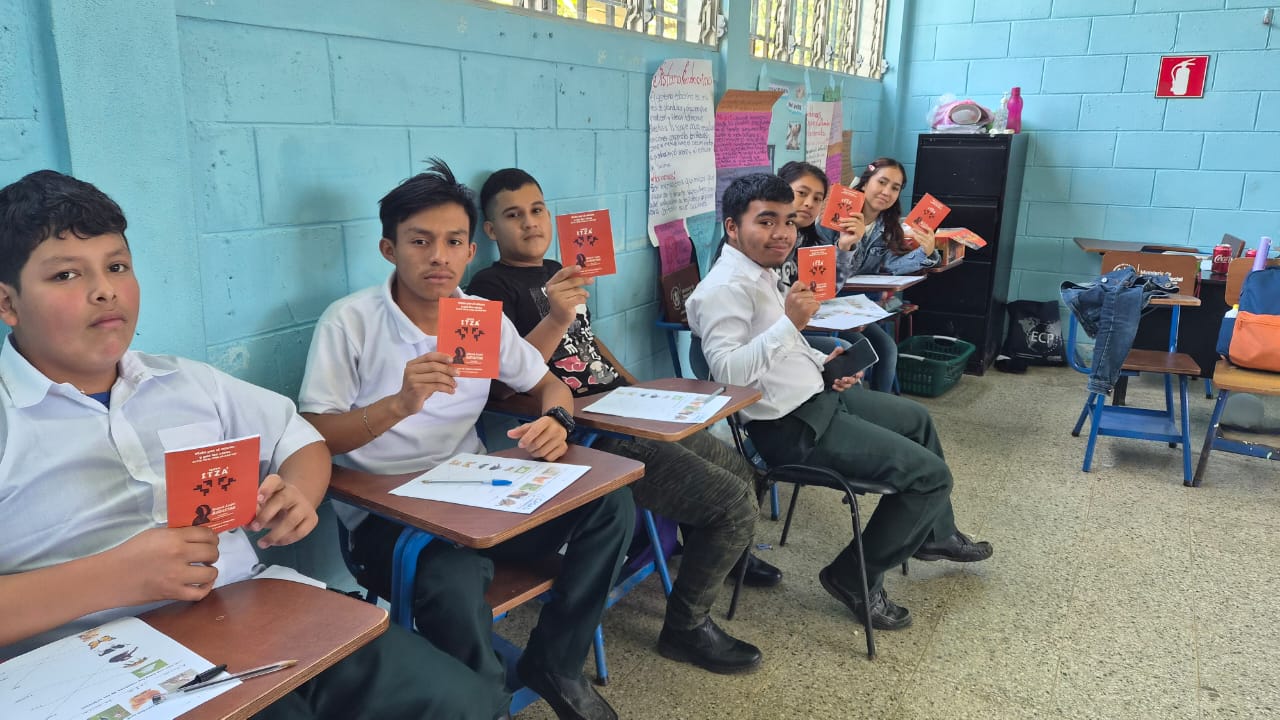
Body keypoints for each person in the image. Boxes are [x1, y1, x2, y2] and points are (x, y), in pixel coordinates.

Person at [0, 170, 503, 720]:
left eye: (117, 266)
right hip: (95, 665)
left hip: (253, 609)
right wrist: (109, 578)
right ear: (8, 303)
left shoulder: (187, 382)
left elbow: (299, 436)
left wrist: (300, 493)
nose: (105, 290)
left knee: (469, 704)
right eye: (66, 274)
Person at [298, 159, 633, 720]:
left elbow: (548, 383)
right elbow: (314, 434)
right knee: (454, 578)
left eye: (454, 241)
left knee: (610, 504)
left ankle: (556, 663)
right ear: (389, 249)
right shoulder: (349, 322)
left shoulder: (479, 317)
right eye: (420, 241)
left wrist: (557, 421)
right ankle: (486, 706)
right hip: (388, 516)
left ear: (471, 250)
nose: (439, 256)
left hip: (478, 494)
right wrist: (397, 405)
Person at [467, 168, 777, 676]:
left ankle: (725, 554)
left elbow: (588, 343)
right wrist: (556, 319)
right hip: (586, 429)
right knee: (732, 502)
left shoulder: (558, 269)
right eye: (513, 215)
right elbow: (500, 386)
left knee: (740, 470)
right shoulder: (488, 286)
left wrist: (637, 388)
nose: (529, 223)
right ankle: (685, 627)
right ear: (490, 229)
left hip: (621, 407)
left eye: (537, 210)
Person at [686, 173, 992, 632]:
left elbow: (785, 347)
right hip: (790, 428)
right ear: (732, 227)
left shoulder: (762, 272)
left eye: (788, 222)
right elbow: (729, 375)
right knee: (931, 478)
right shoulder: (722, 289)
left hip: (819, 396)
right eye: (766, 222)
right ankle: (853, 576)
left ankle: (935, 534)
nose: (782, 233)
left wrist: (822, 361)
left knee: (917, 419)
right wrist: (791, 324)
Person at [775, 161, 899, 393]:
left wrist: (844, 247)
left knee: (882, 348)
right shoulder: (770, 241)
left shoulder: (812, 239)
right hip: (776, 332)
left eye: (817, 198)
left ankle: (872, 404)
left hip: (812, 320)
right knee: (846, 351)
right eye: (801, 193)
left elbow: (826, 289)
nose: (809, 203)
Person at [843, 157, 940, 277]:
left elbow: (890, 266)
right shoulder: (839, 219)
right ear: (864, 184)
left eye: (895, 188)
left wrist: (926, 251)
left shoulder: (888, 228)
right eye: (882, 182)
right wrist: (844, 247)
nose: (886, 192)